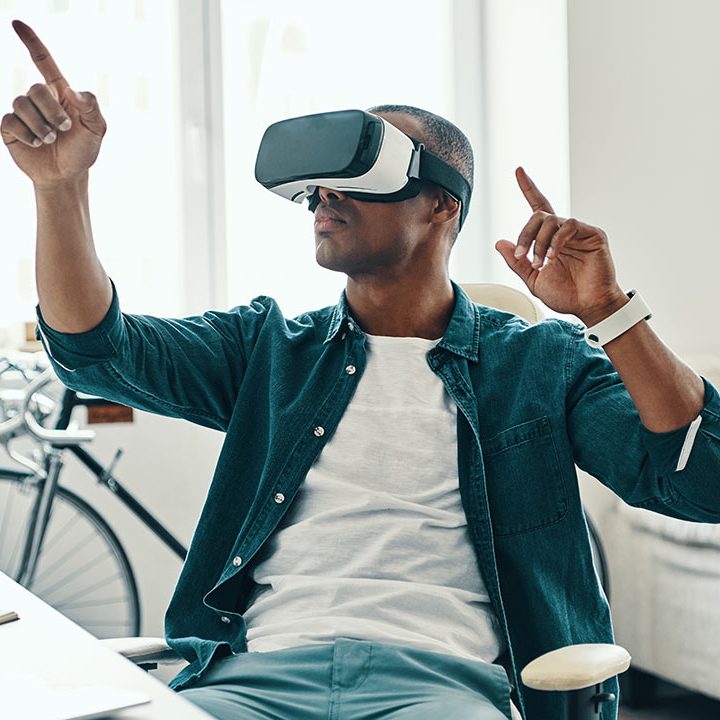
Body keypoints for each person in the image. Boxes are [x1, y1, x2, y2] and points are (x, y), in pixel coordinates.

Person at [3, 19, 719, 720]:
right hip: (255, 682)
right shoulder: (269, 348)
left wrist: (608, 312)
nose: (324, 195)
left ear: (442, 202)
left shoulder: (540, 361)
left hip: (441, 687)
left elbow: (700, 480)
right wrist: (60, 190)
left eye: (358, 172)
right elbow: (98, 353)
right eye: (316, 184)